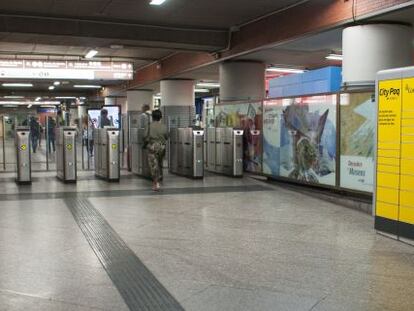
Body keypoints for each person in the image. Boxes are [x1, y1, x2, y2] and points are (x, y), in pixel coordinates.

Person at [145, 110, 168, 191]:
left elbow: (145, 136)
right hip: (162, 147)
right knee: (159, 163)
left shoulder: (149, 126)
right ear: (160, 117)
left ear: (152, 117)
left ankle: (156, 183)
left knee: (153, 165)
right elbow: (167, 136)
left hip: (153, 147)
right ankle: (160, 176)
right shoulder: (164, 126)